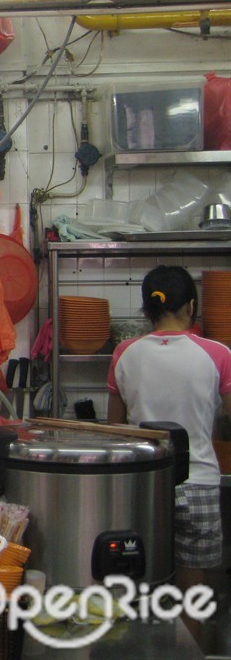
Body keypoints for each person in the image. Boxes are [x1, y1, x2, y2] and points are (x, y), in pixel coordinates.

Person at [107, 265, 231, 643]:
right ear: (191, 307)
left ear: (146, 310)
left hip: (144, 487)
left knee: (142, 590)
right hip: (199, 483)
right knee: (192, 595)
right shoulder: (218, 354)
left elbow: (117, 432)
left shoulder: (124, 354)